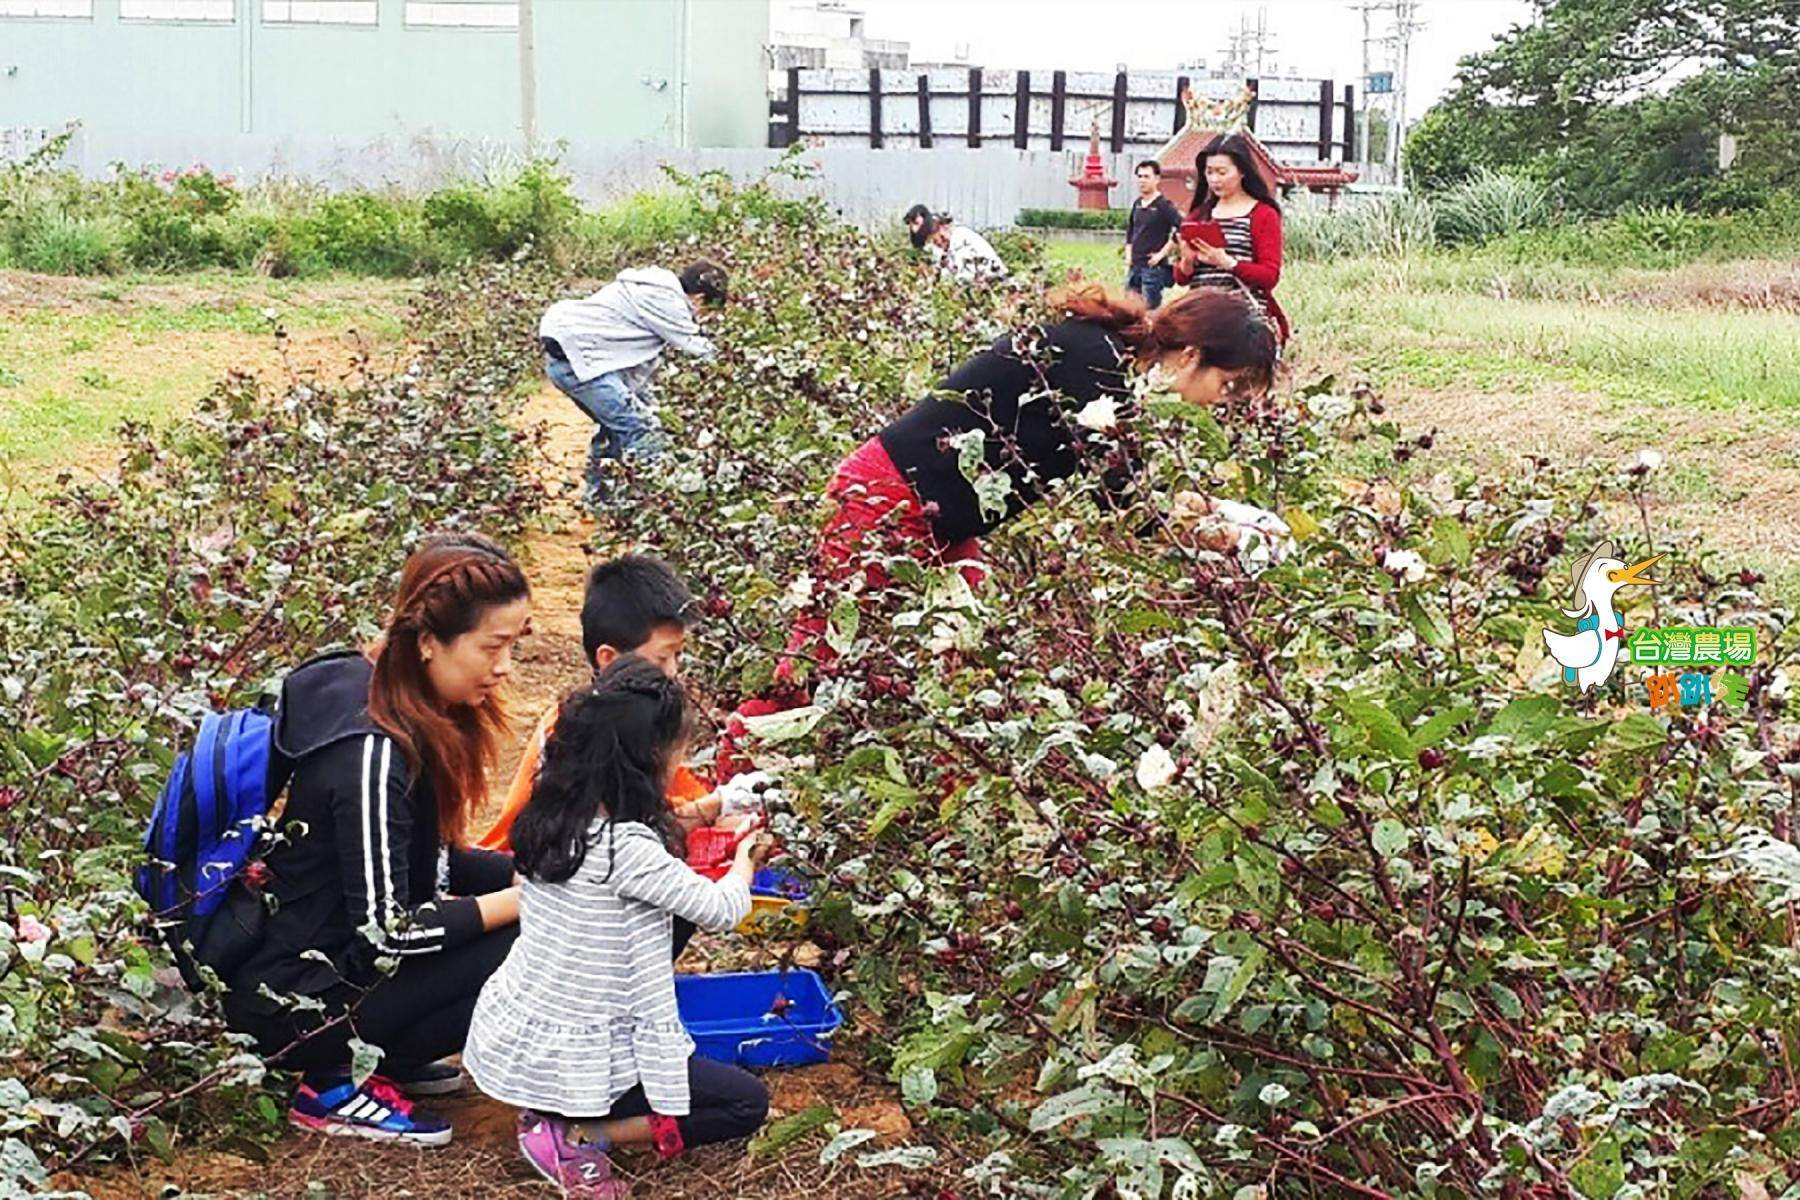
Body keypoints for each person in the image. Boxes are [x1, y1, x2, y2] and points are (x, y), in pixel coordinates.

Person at [718, 285, 1278, 778]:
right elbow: (1126, 500)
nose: (1222, 404)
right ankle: (723, 787)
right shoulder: (1096, 366)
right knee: (822, 655)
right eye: (1227, 386)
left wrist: (1212, 519)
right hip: (887, 499)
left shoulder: (1110, 365)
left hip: (943, 520)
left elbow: (1128, 489)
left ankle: (933, 792)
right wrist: (1221, 535)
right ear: (1193, 356)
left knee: (962, 660)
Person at [223, 532, 531, 1146]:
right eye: (491, 647)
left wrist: (534, 871)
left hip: (338, 969)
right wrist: (525, 902)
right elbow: (386, 930)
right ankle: (329, 1080)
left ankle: (382, 1052)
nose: (503, 669)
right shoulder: (372, 751)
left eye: (512, 647)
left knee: (560, 909)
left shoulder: (400, 707)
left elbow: (431, 866)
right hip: (296, 1002)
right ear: (427, 643)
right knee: (549, 934)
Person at [464, 657, 773, 1196]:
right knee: (746, 1102)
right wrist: (746, 857)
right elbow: (723, 909)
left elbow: (648, 831)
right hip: (591, 1056)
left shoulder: (556, 815)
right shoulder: (628, 850)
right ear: (648, 761)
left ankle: (547, 1114)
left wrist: (724, 801)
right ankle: (584, 1135)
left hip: (535, 1034)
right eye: (677, 751)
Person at [477, 554, 773, 961]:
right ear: (609, 659)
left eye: (677, 656)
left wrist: (721, 805)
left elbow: (666, 808)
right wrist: (736, 843)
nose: (673, 671)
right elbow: (655, 838)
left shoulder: (617, 718)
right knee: (684, 884)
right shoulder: (575, 733)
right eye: (662, 657)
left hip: (551, 878)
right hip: (520, 890)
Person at [539, 261, 729, 505]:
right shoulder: (667, 302)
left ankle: (599, 498)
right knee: (644, 429)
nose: (705, 317)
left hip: (577, 356)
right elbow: (698, 346)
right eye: (709, 310)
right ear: (700, 299)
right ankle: (657, 502)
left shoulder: (651, 286)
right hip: (579, 363)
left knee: (620, 424)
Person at [1173, 134, 1288, 345]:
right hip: (1201, 318)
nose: (1214, 179)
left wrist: (1228, 262)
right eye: (1209, 172)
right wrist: (1186, 262)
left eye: (1222, 172)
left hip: (1243, 321)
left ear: (1242, 171)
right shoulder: (1199, 215)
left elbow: (1269, 276)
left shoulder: (1263, 214)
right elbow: (1182, 278)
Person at [1123, 160, 1182, 310]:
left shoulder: (1164, 206)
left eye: (1146, 177)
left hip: (1152, 269)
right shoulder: (1137, 204)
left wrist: (1162, 254)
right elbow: (1131, 230)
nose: (1142, 181)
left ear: (1157, 179)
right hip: (1134, 266)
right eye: (1140, 176)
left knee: (1150, 311)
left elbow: (1182, 228)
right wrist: (1128, 254)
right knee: (1129, 310)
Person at [912, 210, 1008, 283]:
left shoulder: (962, 238)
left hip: (995, 282)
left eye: (934, 237)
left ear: (942, 228)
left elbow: (965, 276)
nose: (935, 243)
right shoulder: (942, 250)